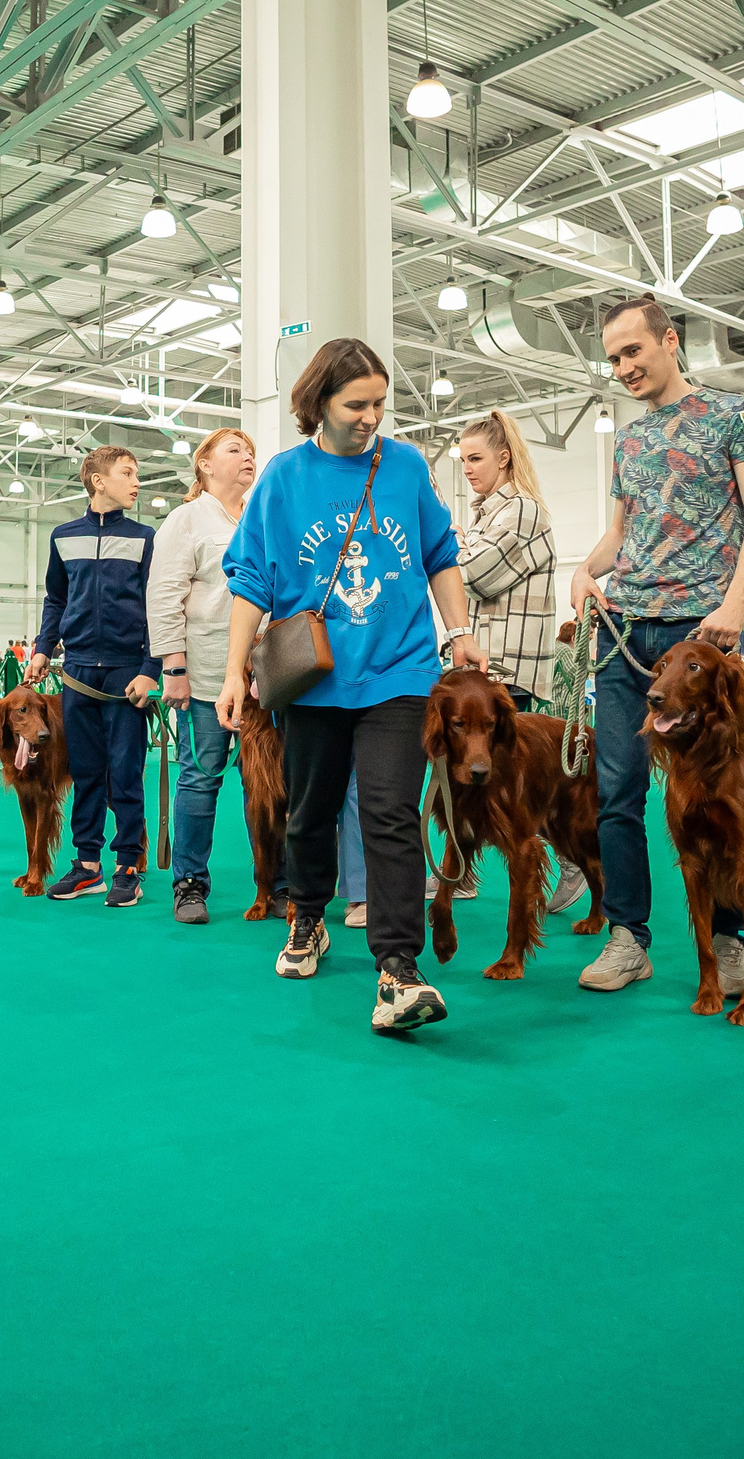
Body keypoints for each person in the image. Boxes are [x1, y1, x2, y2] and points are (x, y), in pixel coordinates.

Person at [216, 337, 489, 1035]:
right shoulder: (284, 477)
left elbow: (440, 556)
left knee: (391, 814)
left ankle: (399, 970)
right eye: (356, 404)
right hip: (314, 678)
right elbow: (250, 579)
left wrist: (459, 632)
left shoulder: (402, 466)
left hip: (400, 671)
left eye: (379, 404)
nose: (371, 417)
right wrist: (232, 673)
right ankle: (307, 916)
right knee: (308, 812)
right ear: (319, 404)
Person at [563, 298, 744, 995]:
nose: (623, 367)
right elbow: (618, 536)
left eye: (633, 351)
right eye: (614, 357)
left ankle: (728, 937)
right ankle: (629, 937)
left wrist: (736, 602)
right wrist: (584, 571)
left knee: (719, 793)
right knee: (616, 790)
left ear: (669, 341)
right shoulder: (628, 441)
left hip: (700, 639)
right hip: (626, 635)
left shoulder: (731, 415)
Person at [450, 407, 574, 915]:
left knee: (511, 790)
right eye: (462, 460)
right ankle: (461, 872)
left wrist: (447, 543)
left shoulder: (520, 509)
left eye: (476, 458)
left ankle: (568, 861)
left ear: (504, 457)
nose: (468, 468)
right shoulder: (486, 512)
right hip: (487, 669)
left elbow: (474, 575)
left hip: (509, 672)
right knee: (478, 784)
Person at [28, 446, 161, 907]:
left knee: (125, 774)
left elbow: (156, 608)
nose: (136, 482)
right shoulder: (63, 536)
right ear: (97, 481)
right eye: (128, 473)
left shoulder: (146, 537)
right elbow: (55, 599)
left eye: (136, 473)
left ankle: (127, 865)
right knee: (84, 772)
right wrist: (44, 649)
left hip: (127, 677)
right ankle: (87, 866)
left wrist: (151, 668)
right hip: (77, 675)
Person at [149, 428, 256, 924]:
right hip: (207, 677)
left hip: (266, 683)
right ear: (205, 466)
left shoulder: (260, 518)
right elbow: (165, 597)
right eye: (235, 449)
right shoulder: (186, 519)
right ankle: (189, 884)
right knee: (200, 779)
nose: (248, 456)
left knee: (268, 784)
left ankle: (274, 882)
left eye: (251, 450)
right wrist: (174, 668)